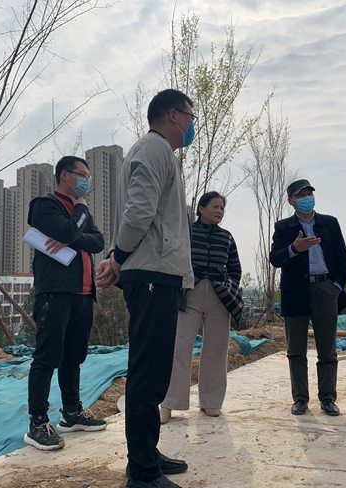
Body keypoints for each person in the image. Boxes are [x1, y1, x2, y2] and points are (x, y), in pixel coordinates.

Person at [96, 89, 195, 488]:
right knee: (146, 373)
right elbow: (139, 211)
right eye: (190, 117)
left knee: (154, 371)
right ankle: (141, 471)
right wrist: (118, 257)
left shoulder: (159, 152)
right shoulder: (153, 149)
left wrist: (118, 256)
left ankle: (147, 452)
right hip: (151, 272)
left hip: (159, 271)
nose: (192, 126)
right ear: (173, 115)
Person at [24, 156, 107, 451]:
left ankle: (72, 413)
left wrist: (72, 235)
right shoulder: (44, 206)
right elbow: (70, 232)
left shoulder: (79, 212)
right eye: (82, 174)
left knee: (73, 356)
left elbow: (98, 242)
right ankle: (37, 422)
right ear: (64, 175)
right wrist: (78, 218)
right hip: (55, 292)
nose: (87, 180)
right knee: (47, 356)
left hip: (83, 294)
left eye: (88, 175)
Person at [269, 179, 346, 417]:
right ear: (291, 201)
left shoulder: (329, 223)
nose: (306, 198)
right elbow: (275, 259)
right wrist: (295, 248)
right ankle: (300, 399)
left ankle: (328, 398)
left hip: (325, 289)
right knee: (296, 350)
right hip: (296, 291)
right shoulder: (284, 227)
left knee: (327, 349)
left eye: (309, 193)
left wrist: (336, 287)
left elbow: (343, 258)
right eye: (300, 195)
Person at [160, 191, 243, 424]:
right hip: (189, 294)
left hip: (219, 296)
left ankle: (211, 402)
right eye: (215, 206)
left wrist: (229, 286)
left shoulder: (227, 237)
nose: (219, 211)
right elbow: (174, 260)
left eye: (222, 208)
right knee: (179, 348)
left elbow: (235, 268)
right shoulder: (186, 232)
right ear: (201, 209)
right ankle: (169, 403)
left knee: (216, 350)